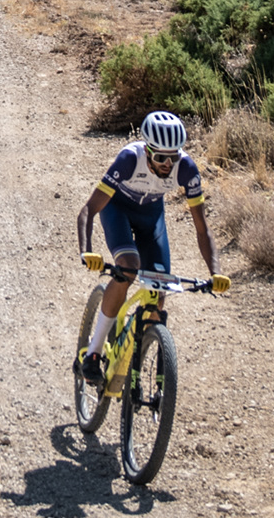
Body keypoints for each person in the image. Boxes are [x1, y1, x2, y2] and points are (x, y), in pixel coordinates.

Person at [74, 109, 217, 380]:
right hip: (118, 210)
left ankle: (138, 356)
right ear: (147, 150)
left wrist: (215, 273)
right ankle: (93, 352)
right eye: (161, 157)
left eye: (173, 157)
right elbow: (89, 210)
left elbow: (202, 229)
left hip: (151, 217)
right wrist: (87, 251)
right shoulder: (129, 159)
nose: (168, 164)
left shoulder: (187, 168)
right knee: (128, 268)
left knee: (158, 291)